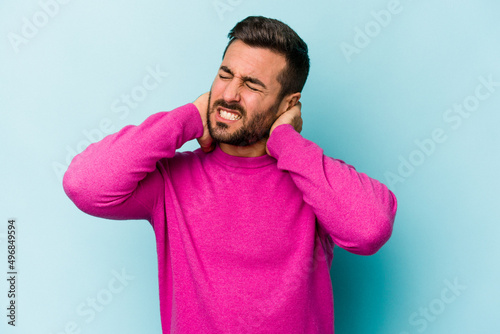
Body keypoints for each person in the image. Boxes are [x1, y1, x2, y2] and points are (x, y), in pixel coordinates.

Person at [63, 16, 397, 334]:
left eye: (251, 84)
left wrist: (287, 142)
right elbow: (85, 185)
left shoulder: (313, 179)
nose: (229, 95)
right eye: (225, 75)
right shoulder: (170, 181)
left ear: (287, 104)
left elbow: (369, 229)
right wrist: (189, 118)